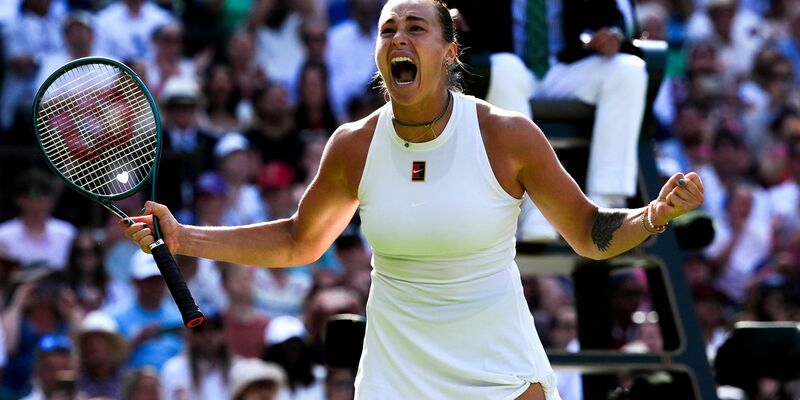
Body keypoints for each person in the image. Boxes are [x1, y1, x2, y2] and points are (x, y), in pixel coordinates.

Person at [121, 1, 705, 398]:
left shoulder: (508, 135)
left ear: (450, 52)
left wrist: (654, 214)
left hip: (500, 372)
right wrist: (185, 237)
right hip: (395, 376)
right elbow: (300, 240)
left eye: (416, 28)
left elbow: (590, 232)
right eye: (387, 30)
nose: (399, 38)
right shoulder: (352, 146)